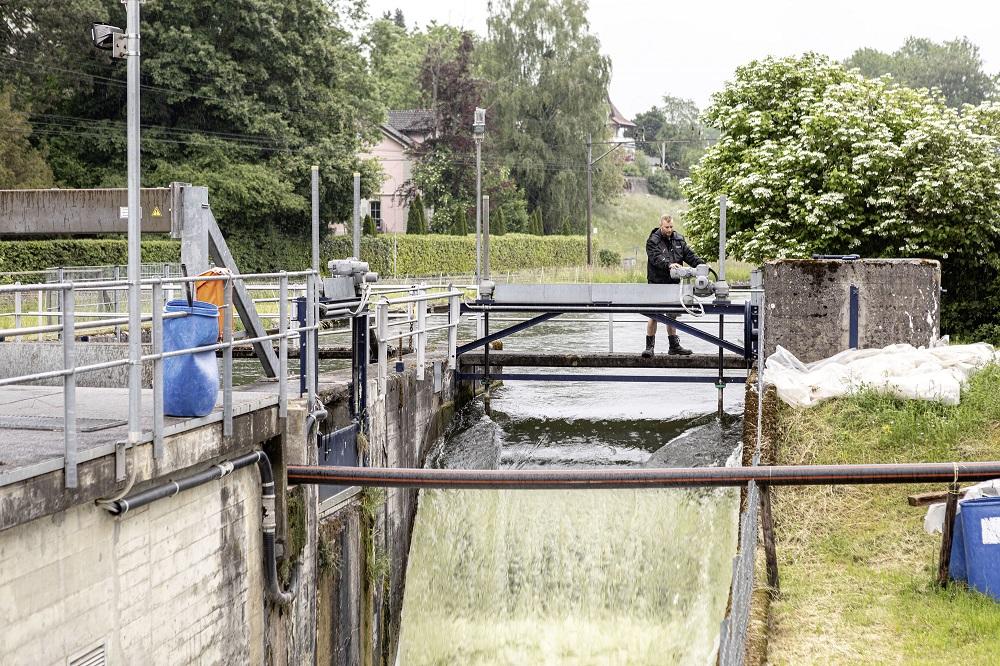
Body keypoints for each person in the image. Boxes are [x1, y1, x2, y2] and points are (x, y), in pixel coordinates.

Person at [643, 214, 703, 357]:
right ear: (660, 225)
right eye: (666, 227)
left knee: (672, 314)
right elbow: (656, 258)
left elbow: (689, 255)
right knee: (654, 315)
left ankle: (673, 346)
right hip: (656, 283)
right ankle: (649, 347)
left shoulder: (679, 239)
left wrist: (702, 266)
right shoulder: (653, 241)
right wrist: (669, 264)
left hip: (674, 283)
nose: (669, 230)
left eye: (671, 227)